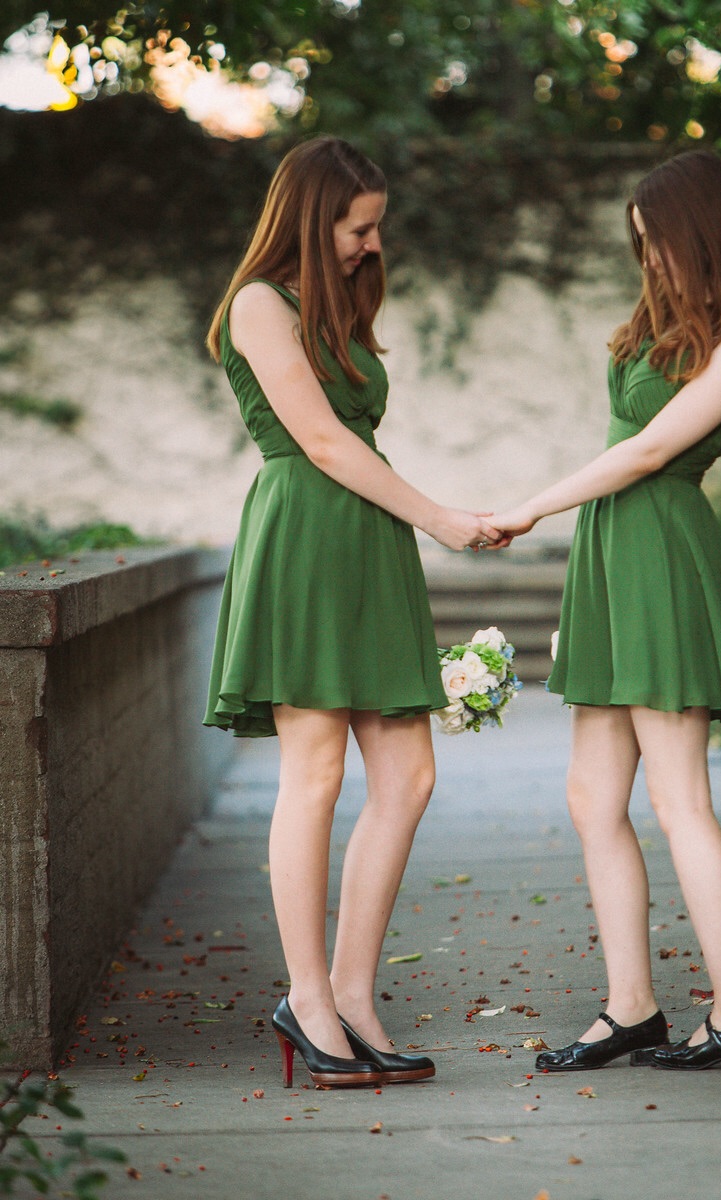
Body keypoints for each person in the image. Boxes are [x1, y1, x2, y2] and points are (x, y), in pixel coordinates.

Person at [203, 136, 502, 1089]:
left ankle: (353, 991)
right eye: (359, 227)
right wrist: (444, 518)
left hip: (371, 545)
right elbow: (326, 444)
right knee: (316, 776)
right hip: (305, 540)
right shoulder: (258, 304)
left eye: (377, 229)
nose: (372, 246)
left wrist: (418, 523)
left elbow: (354, 442)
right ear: (310, 215)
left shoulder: (339, 309)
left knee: (408, 777)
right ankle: (307, 996)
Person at [489, 150, 721, 1072]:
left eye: (658, 241)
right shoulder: (667, 324)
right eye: (640, 244)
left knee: (678, 796)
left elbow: (651, 451)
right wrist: (587, 600)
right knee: (591, 797)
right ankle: (631, 1007)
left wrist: (533, 504)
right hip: (615, 556)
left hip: (660, 554)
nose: (647, 259)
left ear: (701, 231)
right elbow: (627, 447)